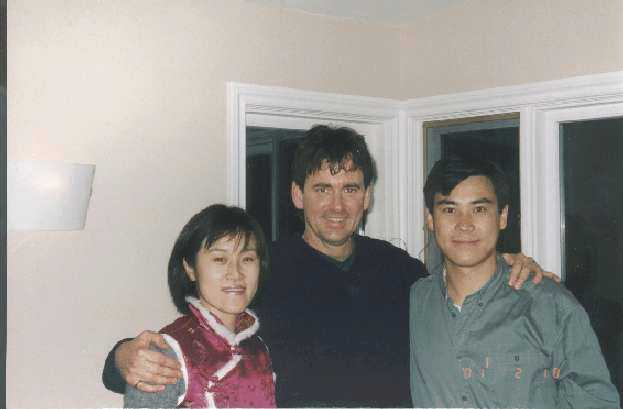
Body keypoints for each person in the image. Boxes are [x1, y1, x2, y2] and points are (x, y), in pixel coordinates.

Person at [104, 125, 552, 407]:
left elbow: (465, 302)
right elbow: (197, 337)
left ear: (367, 196)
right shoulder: (262, 269)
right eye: (322, 189)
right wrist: (125, 356)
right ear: (297, 195)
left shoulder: (400, 270)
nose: (337, 206)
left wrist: (509, 266)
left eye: (350, 189)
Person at [409, 158, 620, 408]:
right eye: (449, 210)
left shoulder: (549, 305)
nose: (464, 224)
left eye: (479, 209)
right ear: (430, 219)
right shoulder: (412, 301)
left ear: (502, 216)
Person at [124, 204, 276, 408]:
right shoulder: (167, 352)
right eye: (220, 259)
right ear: (190, 268)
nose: (236, 273)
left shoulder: (258, 348)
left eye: (247, 259)